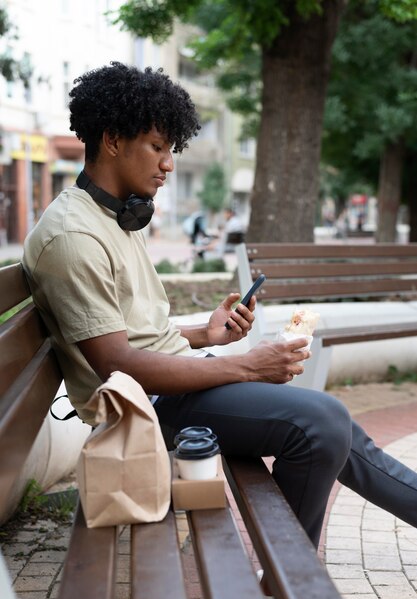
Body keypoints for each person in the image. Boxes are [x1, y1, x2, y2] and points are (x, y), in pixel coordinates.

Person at [23, 62, 417, 559]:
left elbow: (136, 335)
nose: (168, 164)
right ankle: (288, 580)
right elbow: (117, 364)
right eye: (157, 147)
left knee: (338, 427)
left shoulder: (114, 216)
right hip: (142, 407)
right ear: (112, 140)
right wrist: (247, 365)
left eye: (171, 150)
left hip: (173, 383)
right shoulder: (73, 236)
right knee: (321, 425)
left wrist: (207, 336)